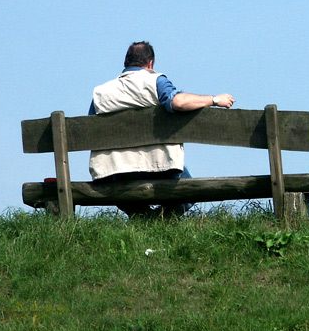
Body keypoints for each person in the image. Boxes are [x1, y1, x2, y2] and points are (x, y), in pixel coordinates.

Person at [89, 41, 235, 217]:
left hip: (114, 172)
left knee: (128, 191)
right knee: (190, 188)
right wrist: (214, 99)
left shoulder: (100, 93)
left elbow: (91, 130)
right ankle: (162, 219)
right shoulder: (155, 80)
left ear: (126, 63)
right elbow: (178, 102)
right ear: (150, 63)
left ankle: (143, 218)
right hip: (159, 167)